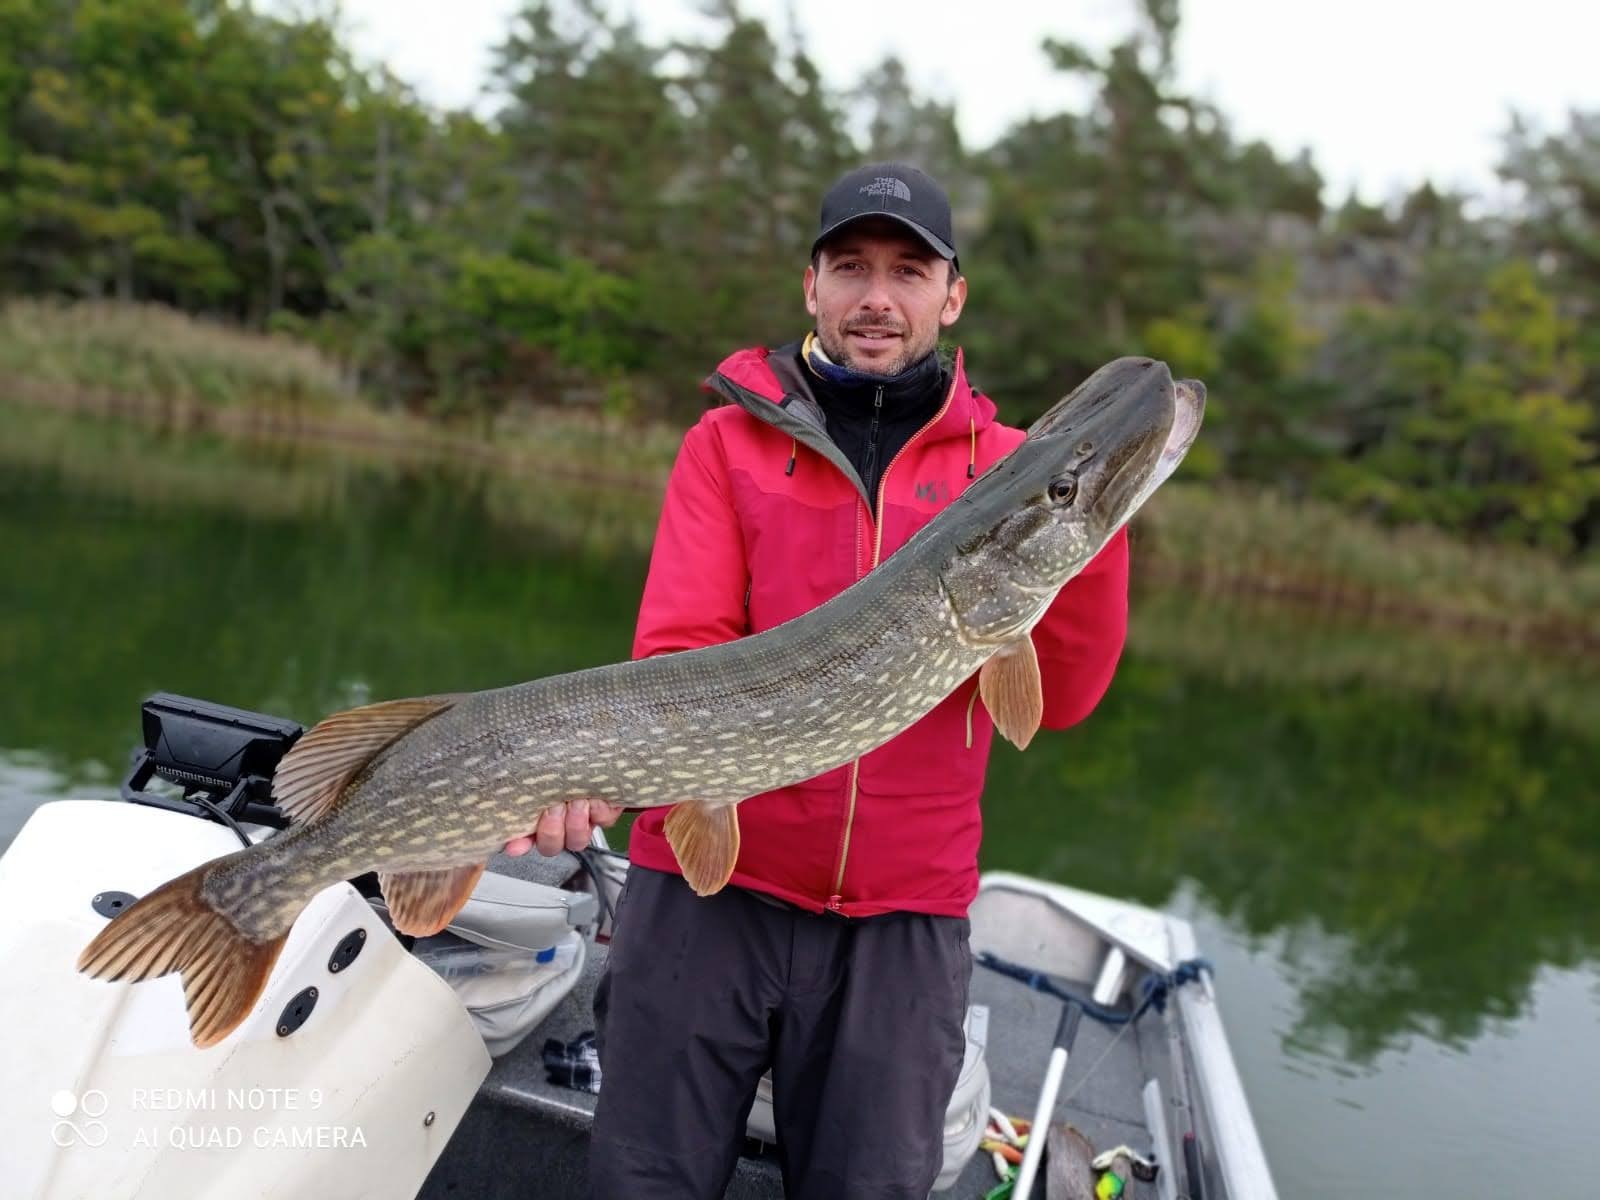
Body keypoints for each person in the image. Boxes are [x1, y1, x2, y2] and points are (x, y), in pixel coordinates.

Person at [506, 162, 1130, 1199]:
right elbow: (677, 662)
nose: (876, 298)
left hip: (901, 923)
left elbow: (1056, 700)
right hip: (705, 898)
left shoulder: (1013, 472)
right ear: (812, 286)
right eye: (850, 268)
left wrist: (1092, 529)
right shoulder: (728, 445)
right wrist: (586, 772)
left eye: (906, 270)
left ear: (952, 293)